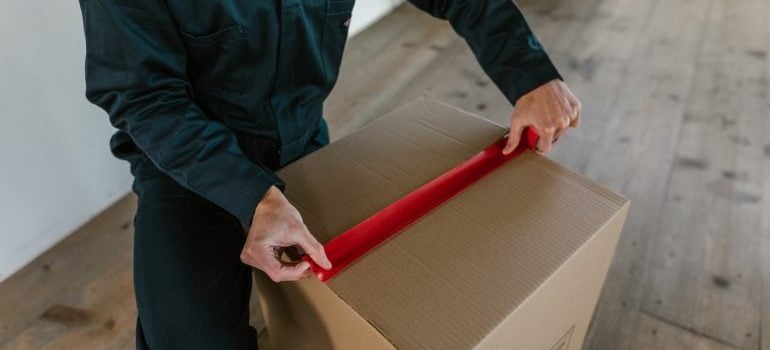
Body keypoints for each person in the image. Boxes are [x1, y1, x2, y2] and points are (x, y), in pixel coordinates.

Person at [78, 0, 581, 349]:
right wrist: (255, 197)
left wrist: (531, 72)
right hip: (186, 170)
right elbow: (143, 96)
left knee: (368, 315)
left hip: (301, 142)